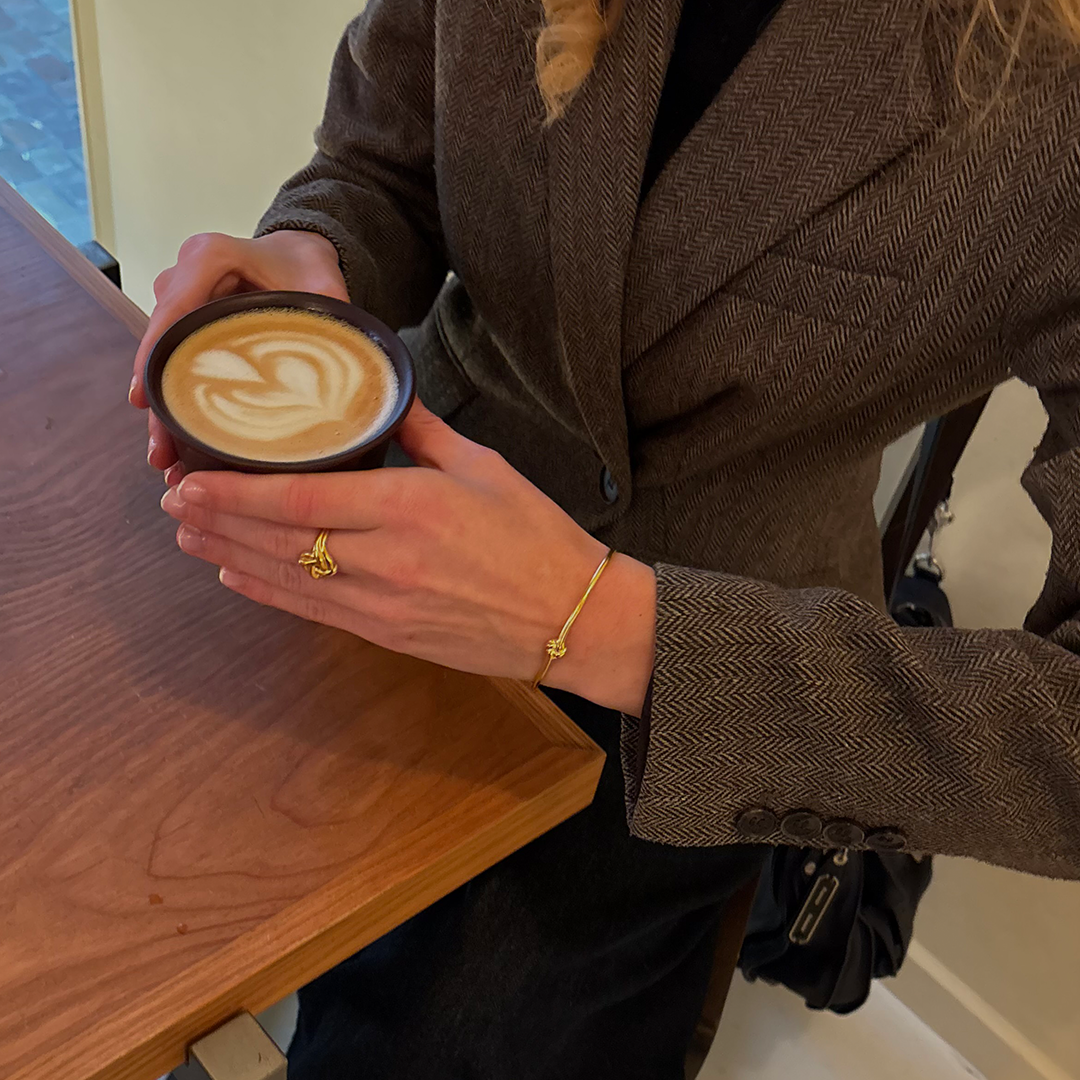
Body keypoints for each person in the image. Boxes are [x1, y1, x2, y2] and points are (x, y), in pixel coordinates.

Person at [129, 0, 1080, 1074]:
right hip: (383, 526)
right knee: (177, 903)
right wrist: (313, 248)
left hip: (702, 676)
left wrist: (605, 625)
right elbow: (381, 157)